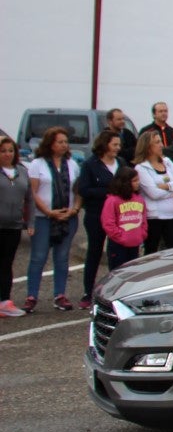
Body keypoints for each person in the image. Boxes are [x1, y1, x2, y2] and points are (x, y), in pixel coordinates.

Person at [24, 127, 81, 313]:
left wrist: (74, 209)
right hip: (44, 218)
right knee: (38, 257)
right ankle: (31, 295)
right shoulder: (37, 164)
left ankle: (60, 295)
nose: (64, 145)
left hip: (66, 217)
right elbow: (32, 192)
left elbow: (78, 190)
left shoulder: (72, 164)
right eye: (60, 142)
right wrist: (49, 212)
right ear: (50, 143)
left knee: (62, 257)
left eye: (66, 142)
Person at [74, 130, 125, 308]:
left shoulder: (121, 163)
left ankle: (115, 291)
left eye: (119, 145)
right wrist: (109, 192)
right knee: (94, 252)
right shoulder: (90, 165)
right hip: (96, 214)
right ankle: (88, 292)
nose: (118, 148)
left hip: (119, 215)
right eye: (114, 145)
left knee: (116, 253)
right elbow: (84, 190)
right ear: (104, 145)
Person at [134, 130, 173, 254]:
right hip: (155, 218)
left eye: (160, 142)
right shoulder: (141, 168)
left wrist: (166, 186)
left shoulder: (167, 162)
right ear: (148, 147)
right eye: (157, 142)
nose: (161, 145)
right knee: (152, 252)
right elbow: (154, 193)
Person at [0, 135, 31, 317]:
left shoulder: (21, 171)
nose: (7, 154)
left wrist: (30, 222)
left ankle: (5, 300)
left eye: (10, 151)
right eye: (3, 151)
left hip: (13, 226)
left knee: (7, 264)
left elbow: (29, 199)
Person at [101, 168, 148, 270]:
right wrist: (121, 237)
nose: (138, 183)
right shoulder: (112, 200)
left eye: (138, 180)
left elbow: (143, 219)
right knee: (118, 273)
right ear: (125, 182)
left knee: (133, 273)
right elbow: (108, 223)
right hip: (118, 245)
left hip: (135, 244)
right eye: (134, 180)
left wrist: (142, 234)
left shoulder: (139, 199)